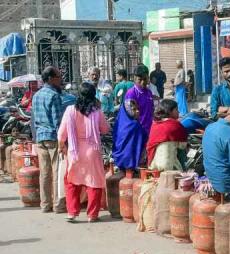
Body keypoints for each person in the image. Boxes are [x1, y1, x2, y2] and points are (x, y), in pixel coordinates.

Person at [57, 82, 111, 223]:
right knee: (94, 182)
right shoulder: (96, 111)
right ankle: (92, 215)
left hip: (74, 151)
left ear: (78, 95)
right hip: (92, 150)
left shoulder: (70, 110)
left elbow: (61, 134)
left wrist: (61, 147)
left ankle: (72, 213)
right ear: (93, 95)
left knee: (72, 182)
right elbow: (105, 129)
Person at [31, 66, 66, 213]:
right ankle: (58, 205)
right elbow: (58, 121)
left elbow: (33, 120)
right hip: (52, 137)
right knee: (57, 171)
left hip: (40, 137)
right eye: (58, 77)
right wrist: (62, 141)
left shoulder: (36, 95)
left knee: (44, 173)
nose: (60, 79)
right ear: (51, 79)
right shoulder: (54, 95)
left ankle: (45, 204)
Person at [147, 99, 188, 171]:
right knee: (182, 150)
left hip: (153, 165)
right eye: (176, 109)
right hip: (169, 166)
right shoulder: (175, 125)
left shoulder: (155, 124)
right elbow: (183, 145)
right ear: (169, 111)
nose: (178, 112)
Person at [124, 65, 154, 137]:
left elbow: (151, 109)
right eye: (140, 79)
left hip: (149, 130)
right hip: (137, 131)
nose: (143, 82)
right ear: (134, 79)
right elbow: (130, 115)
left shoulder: (149, 92)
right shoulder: (131, 93)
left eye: (145, 79)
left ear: (148, 78)